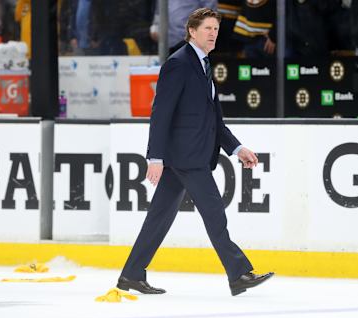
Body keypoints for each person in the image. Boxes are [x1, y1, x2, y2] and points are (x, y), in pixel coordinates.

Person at [117, 8, 274, 297]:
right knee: (215, 213)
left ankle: (131, 275)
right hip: (186, 158)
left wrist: (237, 148)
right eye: (208, 29)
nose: (213, 33)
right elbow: (161, 113)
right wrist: (155, 158)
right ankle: (238, 274)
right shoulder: (178, 64)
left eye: (216, 29)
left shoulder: (203, 64)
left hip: (188, 157)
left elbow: (214, 119)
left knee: (159, 217)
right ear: (192, 31)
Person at [150, 0, 217, 55]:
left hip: (191, 40)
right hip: (168, 41)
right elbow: (159, 9)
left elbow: (209, 11)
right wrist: (155, 26)